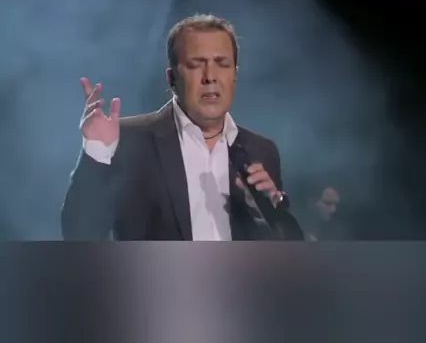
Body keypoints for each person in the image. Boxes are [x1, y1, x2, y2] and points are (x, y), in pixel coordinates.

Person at [61, 14, 303, 241]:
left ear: (234, 75)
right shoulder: (129, 140)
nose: (210, 76)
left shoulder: (260, 150)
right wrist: (96, 153)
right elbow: (81, 234)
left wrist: (274, 208)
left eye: (222, 64)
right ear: (172, 79)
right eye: (196, 64)